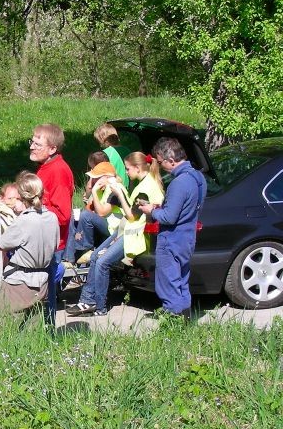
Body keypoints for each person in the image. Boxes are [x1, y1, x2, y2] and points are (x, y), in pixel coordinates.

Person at [66, 151, 164, 316]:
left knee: (102, 262)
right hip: (125, 230)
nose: (125, 172)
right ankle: (87, 300)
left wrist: (119, 195)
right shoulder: (143, 184)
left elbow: (132, 216)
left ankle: (100, 307)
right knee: (95, 256)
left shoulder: (145, 188)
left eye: (127, 168)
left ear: (138, 168)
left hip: (133, 235)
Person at [138, 137, 206, 319]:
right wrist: (159, 207)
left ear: (171, 160)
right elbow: (185, 209)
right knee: (182, 281)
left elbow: (169, 217)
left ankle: (173, 320)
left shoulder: (179, 182)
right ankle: (185, 318)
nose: (160, 167)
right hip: (188, 237)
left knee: (168, 283)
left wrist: (151, 211)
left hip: (172, 239)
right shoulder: (199, 178)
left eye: (161, 162)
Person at [0, 172, 60, 318]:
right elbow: (55, 245)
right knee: (34, 325)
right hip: (42, 280)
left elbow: (2, 243)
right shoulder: (52, 217)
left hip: (18, 281)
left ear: (21, 197)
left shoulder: (24, 220)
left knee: (5, 326)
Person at [29, 123, 73, 326]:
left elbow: (63, 215)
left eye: (37, 144)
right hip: (39, 241)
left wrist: (32, 206)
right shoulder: (45, 167)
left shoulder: (58, 171)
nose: (32, 147)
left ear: (52, 148)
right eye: (32, 142)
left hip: (50, 244)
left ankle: (46, 333)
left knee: (44, 294)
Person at [94, 122, 131, 188]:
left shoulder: (104, 154)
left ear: (102, 140)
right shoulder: (126, 150)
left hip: (113, 188)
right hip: (128, 188)